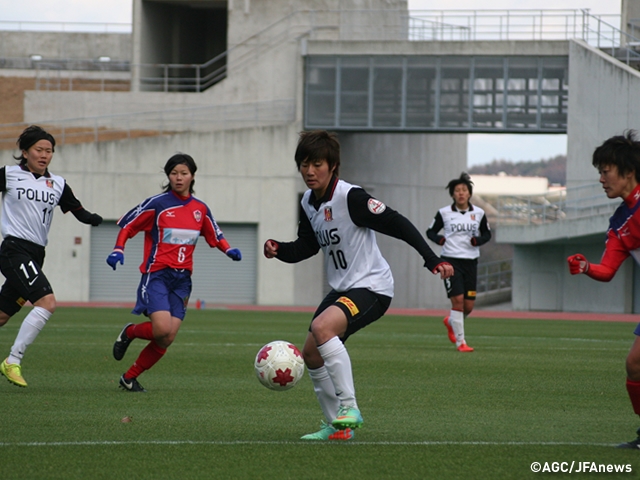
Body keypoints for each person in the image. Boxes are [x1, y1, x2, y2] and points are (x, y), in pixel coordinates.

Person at [263, 130, 453, 441]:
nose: (309, 172)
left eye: (317, 164)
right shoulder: (309, 202)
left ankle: (350, 408)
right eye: (304, 165)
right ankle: (338, 427)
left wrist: (432, 259)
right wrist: (278, 249)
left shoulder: (351, 197)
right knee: (311, 353)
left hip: (372, 288)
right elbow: (307, 247)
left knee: (322, 328)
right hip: (343, 289)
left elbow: (398, 223)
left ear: (333, 165)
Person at [107, 153, 242, 392]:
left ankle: (129, 378)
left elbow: (215, 235)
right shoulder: (157, 204)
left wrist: (228, 249)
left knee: (167, 338)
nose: (179, 178)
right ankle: (130, 332)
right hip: (157, 274)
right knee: (161, 329)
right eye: (174, 173)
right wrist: (119, 249)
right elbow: (128, 225)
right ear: (168, 176)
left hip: (182, 280)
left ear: (192, 176)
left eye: (184, 173)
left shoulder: (200, 209)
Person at [0, 125, 103, 388]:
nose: (44, 155)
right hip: (14, 251)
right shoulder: (9, 175)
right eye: (39, 149)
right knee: (46, 302)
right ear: (25, 152)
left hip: (36, 255)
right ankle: (13, 360)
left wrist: (94, 219)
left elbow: (78, 210)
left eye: (49, 151)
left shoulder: (57, 184)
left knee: (2, 315)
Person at [567, 131, 640, 449]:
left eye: (605, 170)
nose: (601, 178)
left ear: (627, 171)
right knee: (634, 365)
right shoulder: (620, 220)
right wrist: (585, 268)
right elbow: (608, 270)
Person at [426, 172, 491, 352]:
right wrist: (439, 240)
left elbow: (487, 234)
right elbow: (430, 232)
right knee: (458, 301)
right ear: (453, 194)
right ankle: (461, 342)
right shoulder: (444, 213)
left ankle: (451, 321)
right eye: (457, 190)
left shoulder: (479, 213)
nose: (461, 193)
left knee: (468, 306)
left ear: (469, 193)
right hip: (450, 260)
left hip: (471, 261)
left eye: (464, 190)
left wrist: (478, 241)